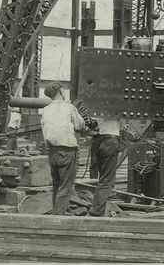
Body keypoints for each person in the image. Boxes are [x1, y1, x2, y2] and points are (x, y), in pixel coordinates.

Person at [40, 82, 86, 215]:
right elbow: (80, 126)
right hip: (67, 151)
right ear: (60, 92)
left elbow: (44, 133)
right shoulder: (69, 107)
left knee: (56, 185)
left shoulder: (46, 110)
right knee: (66, 187)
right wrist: (75, 111)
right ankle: (58, 217)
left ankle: (57, 211)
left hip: (52, 152)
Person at [87, 116, 121, 217]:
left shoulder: (99, 106)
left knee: (97, 173)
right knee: (107, 180)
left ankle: (95, 202)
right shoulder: (117, 105)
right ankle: (96, 210)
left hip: (98, 140)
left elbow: (91, 124)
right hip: (110, 140)